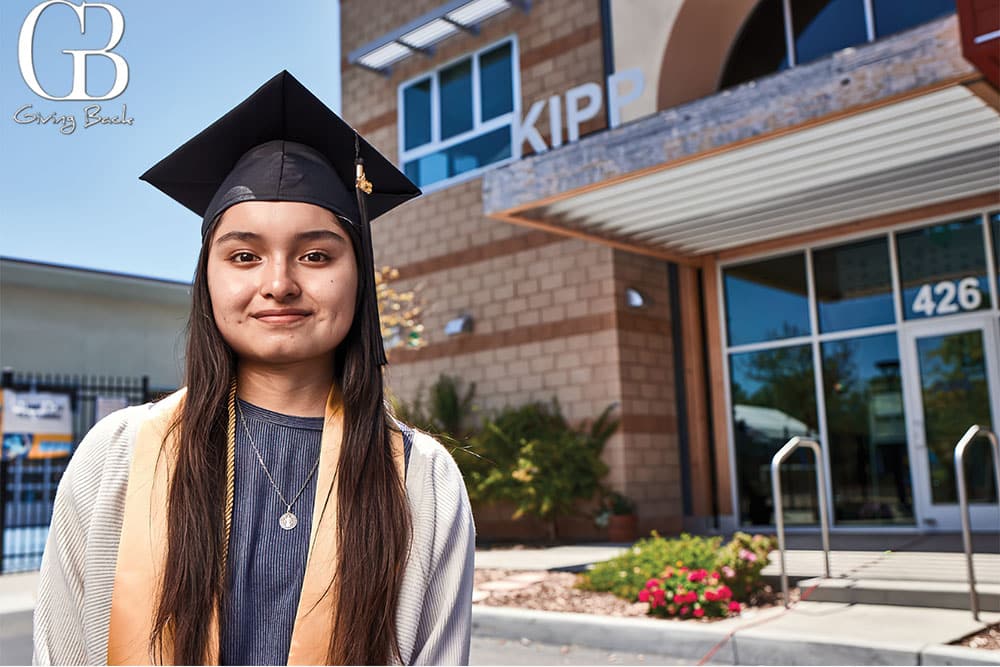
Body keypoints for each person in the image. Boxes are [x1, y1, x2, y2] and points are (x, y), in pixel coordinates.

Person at [32, 71, 476, 666]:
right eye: (244, 255)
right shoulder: (115, 456)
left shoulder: (421, 480)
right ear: (208, 278)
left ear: (359, 277)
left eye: (316, 255)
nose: (278, 283)